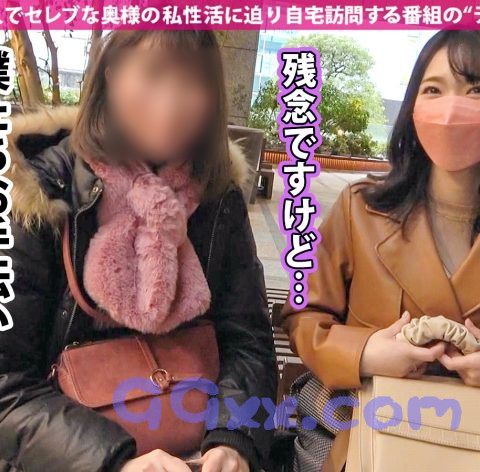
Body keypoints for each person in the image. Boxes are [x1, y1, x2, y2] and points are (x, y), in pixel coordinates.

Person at [0, 31, 276, 472]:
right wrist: (116, 462)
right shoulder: (37, 190)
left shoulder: (217, 193)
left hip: (199, 449)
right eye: (153, 73)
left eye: (194, 80)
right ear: (110, 74)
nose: (172, 103)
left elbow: (248, 341)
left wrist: (234, 439)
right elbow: (8, 385)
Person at [282, 30, 480, 470]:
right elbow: (303, 315)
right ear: (412, 108)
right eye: (434, 90)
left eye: (475, 90)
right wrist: (365, 352)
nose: (452, 109)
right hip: (362, 441)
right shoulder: (360, 208)